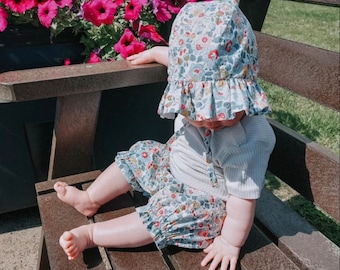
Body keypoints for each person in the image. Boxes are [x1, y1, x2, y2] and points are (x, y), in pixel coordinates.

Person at [53, 1, 276, 269]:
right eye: (197, 106)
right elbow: (182, 62)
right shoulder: (190, 73)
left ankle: (91, 235)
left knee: (166, 215)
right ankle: (90, 199)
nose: (209, 119)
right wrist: (156, 52)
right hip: (171, 167)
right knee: (143, 152)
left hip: (202, 201)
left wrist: (230, 242)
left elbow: (242, 200)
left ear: (243, 93)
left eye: (223, 108)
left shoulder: (249, 140)